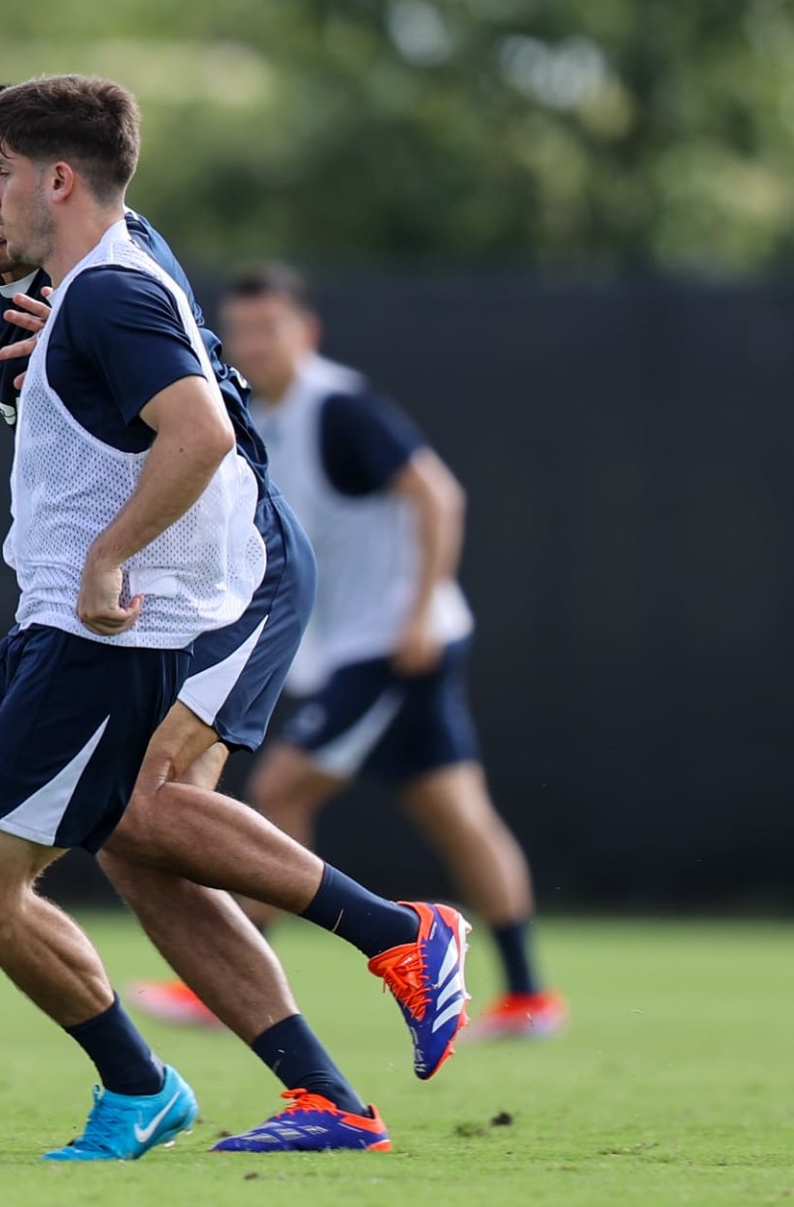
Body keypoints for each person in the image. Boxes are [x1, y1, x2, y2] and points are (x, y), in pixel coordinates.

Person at [0, 79, 468, 1159]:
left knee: (121, 828)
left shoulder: (107, 277)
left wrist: (103, 531)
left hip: (220, 577)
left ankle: (384, 950)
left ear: (41, 178)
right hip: (78, 596)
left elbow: (192, 417)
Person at [134, 264, 563, 1041]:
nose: (253, 344)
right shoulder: (256, 412)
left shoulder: (340, 406)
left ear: (308, 332)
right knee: (458, 814)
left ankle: (230, 975)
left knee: (282, 785)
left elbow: (439, 496)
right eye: (242, 330)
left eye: (270, 328)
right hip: (376, 646)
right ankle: (530, 998)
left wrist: (418, 613)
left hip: (393, 645)